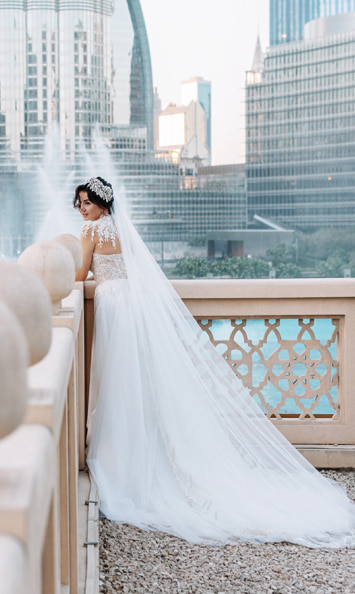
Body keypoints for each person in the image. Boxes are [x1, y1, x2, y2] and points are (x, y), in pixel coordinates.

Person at [74, 176, 355, 547]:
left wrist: (89, 271)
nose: (82, 209)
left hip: (111, 307)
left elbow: (79, 275)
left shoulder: (91, 230)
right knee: (134, 381)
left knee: (116, 383)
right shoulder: (123, 229)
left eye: (86, 202)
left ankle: (119, 456)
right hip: (132, 308)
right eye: (78, 203)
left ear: (101, 204)